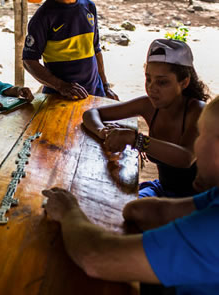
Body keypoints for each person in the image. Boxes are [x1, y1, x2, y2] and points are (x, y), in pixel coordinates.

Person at [42, 95, 219, 295]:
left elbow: (95, 258)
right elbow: (144, 211)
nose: (196, 145)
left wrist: (68, 212)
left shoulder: (212, 229)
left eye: (201, 135)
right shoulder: (215, 196)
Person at [82, 39, 209, 198]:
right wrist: (103, 132)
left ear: (184, 82)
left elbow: (185, 158)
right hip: (163, 189)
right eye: (148, 79)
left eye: (162, 82)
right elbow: (91, 114)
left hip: (198, 200)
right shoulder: (148, 105)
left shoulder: (198, 111)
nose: (151, 87)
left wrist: (136, 140)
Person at [23, 0, 118, 101]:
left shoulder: (89, 7)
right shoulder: (42, 18)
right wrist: (61, 86)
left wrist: (105, 86)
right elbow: (29, 61)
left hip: (95, 92)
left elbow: (96, 49)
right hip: (61, 98)